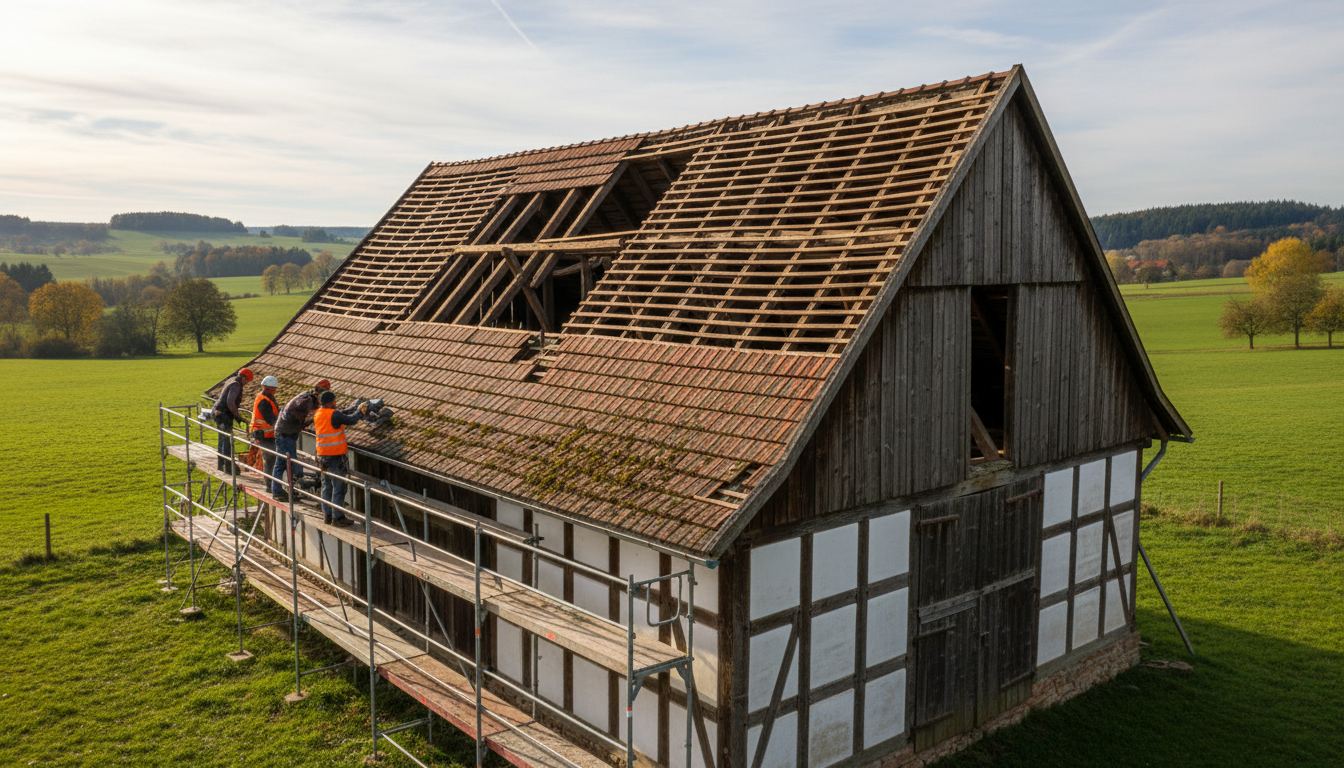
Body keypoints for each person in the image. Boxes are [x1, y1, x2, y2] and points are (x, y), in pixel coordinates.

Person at [271, 378, 330, 502]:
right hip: (286, 433)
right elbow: (301, 416)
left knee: (283, 463)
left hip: (284, 431)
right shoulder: (307, 401)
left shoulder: (306, 396)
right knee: (289, 463)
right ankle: (289, 491)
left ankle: (283, 490)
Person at [314, 390, 364, 526]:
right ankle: (338, 517)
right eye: (334, 401)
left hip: (322, 455)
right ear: (330, 402)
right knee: (339, 486)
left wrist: (349, 410)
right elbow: (351, 420)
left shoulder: (318, 413)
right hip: (335, 456)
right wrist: (360, 411)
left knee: (326, 486)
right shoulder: (334, 414)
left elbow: (340, 417)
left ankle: (327, 515)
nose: (335, 403)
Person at [213, 368, 253, 473]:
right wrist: (238, 416)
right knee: (227, 441)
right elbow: (230, 402)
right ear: (243, 377)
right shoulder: (236, 385)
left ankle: (221, 464)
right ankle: (228, 467)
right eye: (246, 380)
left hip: (218, 412)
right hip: (223, 414)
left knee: (223, 439)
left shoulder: (231, 380)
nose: (246, 383)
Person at [249, 376, 281, 495]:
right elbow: (271, 420)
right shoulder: (264, 401)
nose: (274, 392)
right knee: (269, 460)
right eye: (273, 389)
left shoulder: (267, 398)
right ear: (267, 388)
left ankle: (272, 485)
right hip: (264, 435)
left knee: (271, 461)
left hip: (267, 435)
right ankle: (270, 486)